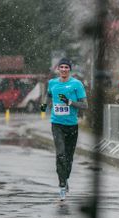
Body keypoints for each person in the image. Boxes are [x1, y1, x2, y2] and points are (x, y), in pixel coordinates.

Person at [40, 58, 88, 201]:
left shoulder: (76, 84)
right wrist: (43, 106)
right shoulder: (52, 83)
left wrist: (70, 102)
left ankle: (65, 178)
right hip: (57, 124)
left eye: (66, 67)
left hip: (72, 125)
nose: (64, 69)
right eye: (61, 67)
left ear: (69, 69)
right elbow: (47, 96)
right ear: (58, 69)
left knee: (69, 157)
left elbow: (85, 105)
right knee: (60, 154)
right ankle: (61, 185)